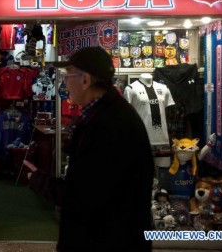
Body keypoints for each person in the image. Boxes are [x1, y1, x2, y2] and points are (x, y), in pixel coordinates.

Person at [23, 46, 154, 252]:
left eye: (68, 75)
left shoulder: (109, 123)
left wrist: (38, 180)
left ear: (85, 80)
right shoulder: (107, 114)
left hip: (105, 241)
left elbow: (82, 197)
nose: (65, 82)